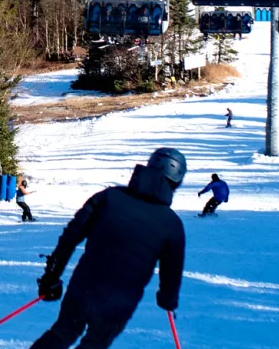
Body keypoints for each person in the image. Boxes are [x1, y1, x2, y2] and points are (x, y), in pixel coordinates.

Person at [32, 148, 188, 349]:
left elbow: (70, 237)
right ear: (176, 181)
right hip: (120, 302)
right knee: (95, 344)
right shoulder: (172, 224)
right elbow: (172, 271)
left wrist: (51, 277)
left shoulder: (108, 197)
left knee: (62, 333)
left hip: (83, 288)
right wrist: (168, 299)